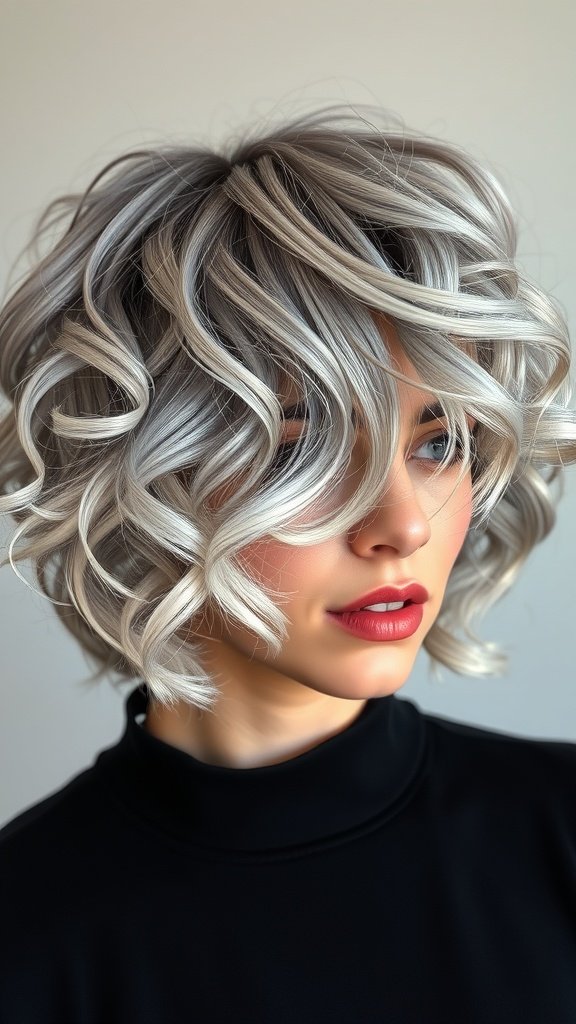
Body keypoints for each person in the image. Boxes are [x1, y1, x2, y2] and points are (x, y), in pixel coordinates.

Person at [0, 102, 575, 1023]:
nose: (403, 528)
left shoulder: (560, 836)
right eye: (300, 452)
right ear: (144, 475)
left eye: (437, 445)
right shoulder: (25, 936)